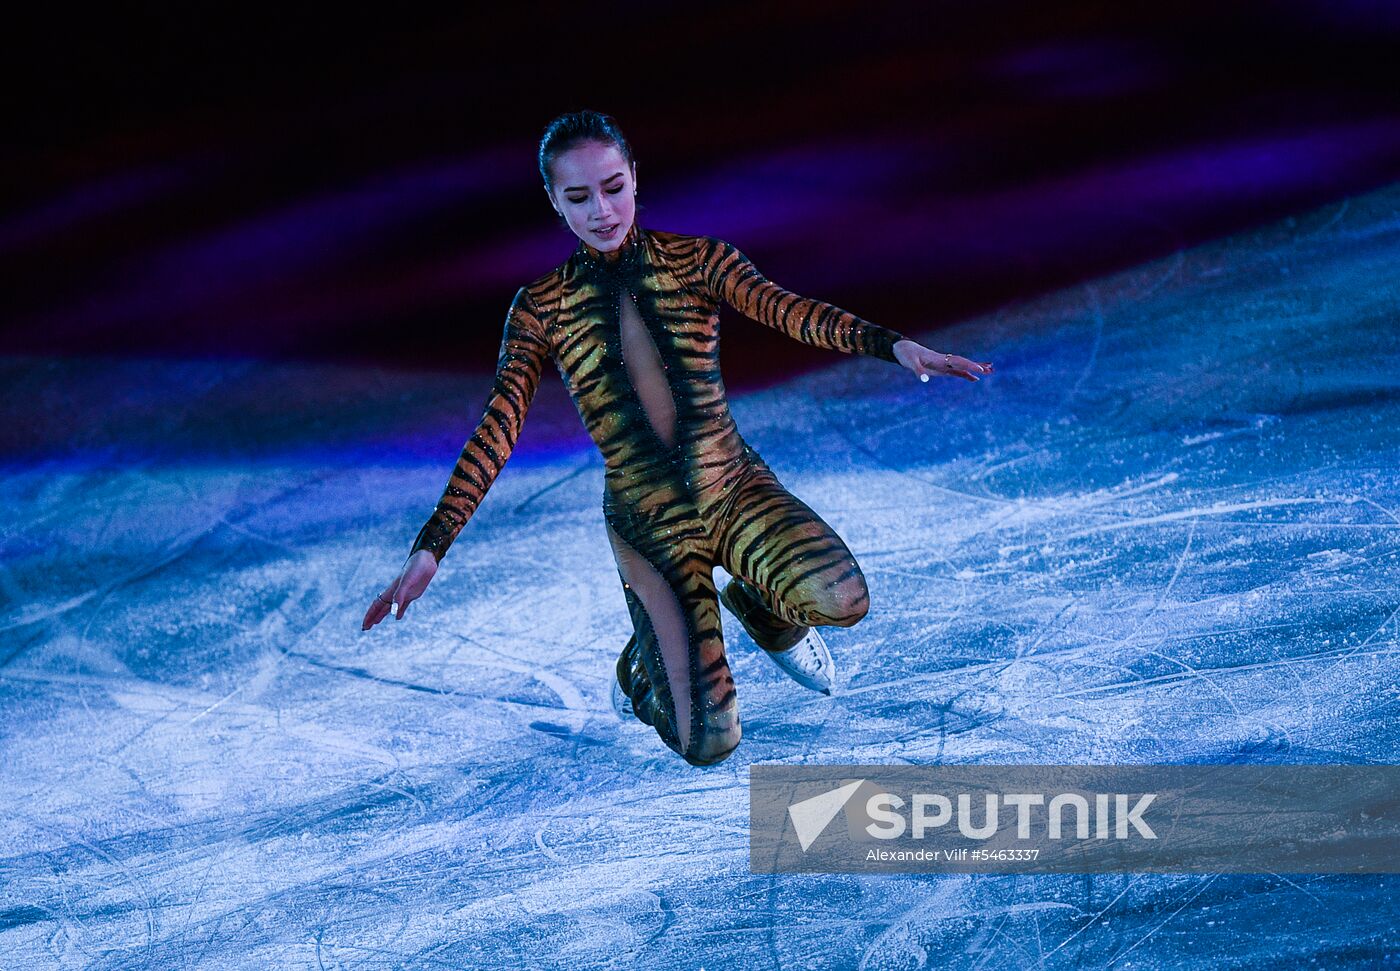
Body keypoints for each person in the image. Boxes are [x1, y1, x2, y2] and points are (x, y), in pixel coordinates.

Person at [362, 110, 993, 767]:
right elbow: (500, 422)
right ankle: (642, 668)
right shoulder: (540, 308)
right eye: (578, 197)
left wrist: (892, 346)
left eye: (612, 186)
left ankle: (763, 608)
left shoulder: (698, 260)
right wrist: (432, 546)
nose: (602, 210)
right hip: (650, 526)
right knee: (710, 739)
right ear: (553, 201)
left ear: (635, 177)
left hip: (734, 487)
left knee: (842, 598)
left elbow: (790, 310)